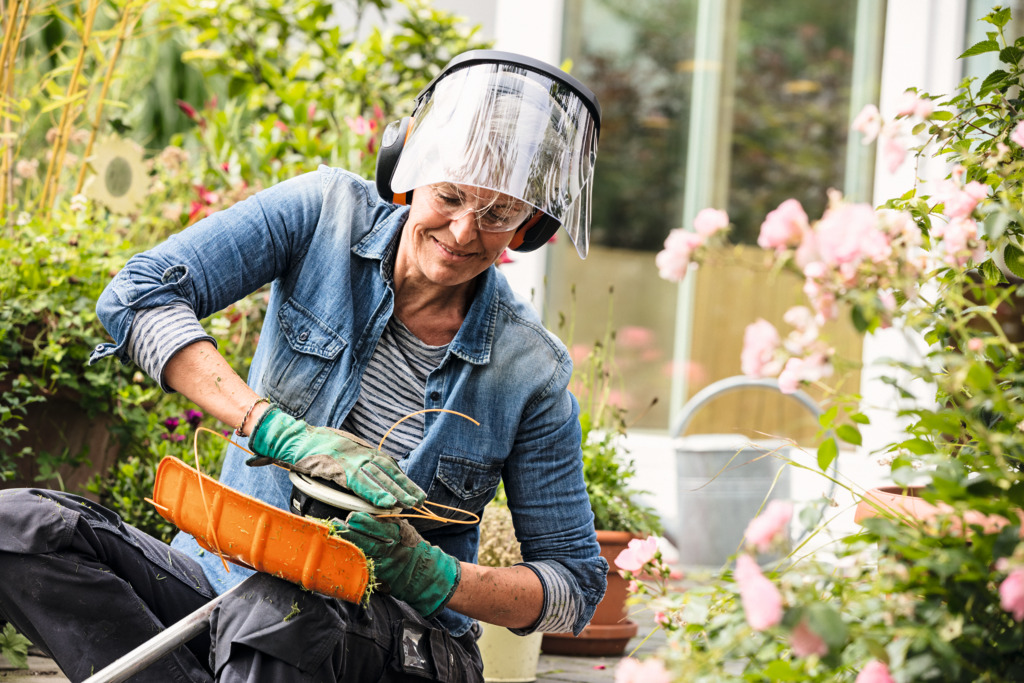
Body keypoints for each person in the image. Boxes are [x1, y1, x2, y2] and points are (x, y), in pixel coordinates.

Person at [0, 49, 606, 682]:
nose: (462, 232)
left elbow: (574, 586)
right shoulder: (324, 213)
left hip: (393, 642)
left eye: (497, 214)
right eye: (450, 196)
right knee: (21, 529)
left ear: (531, 224)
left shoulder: (531, 370)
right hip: (221, 583)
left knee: (279, 611)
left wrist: (433, 573)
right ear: (408, 173)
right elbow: (137, 295)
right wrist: (276, 431)